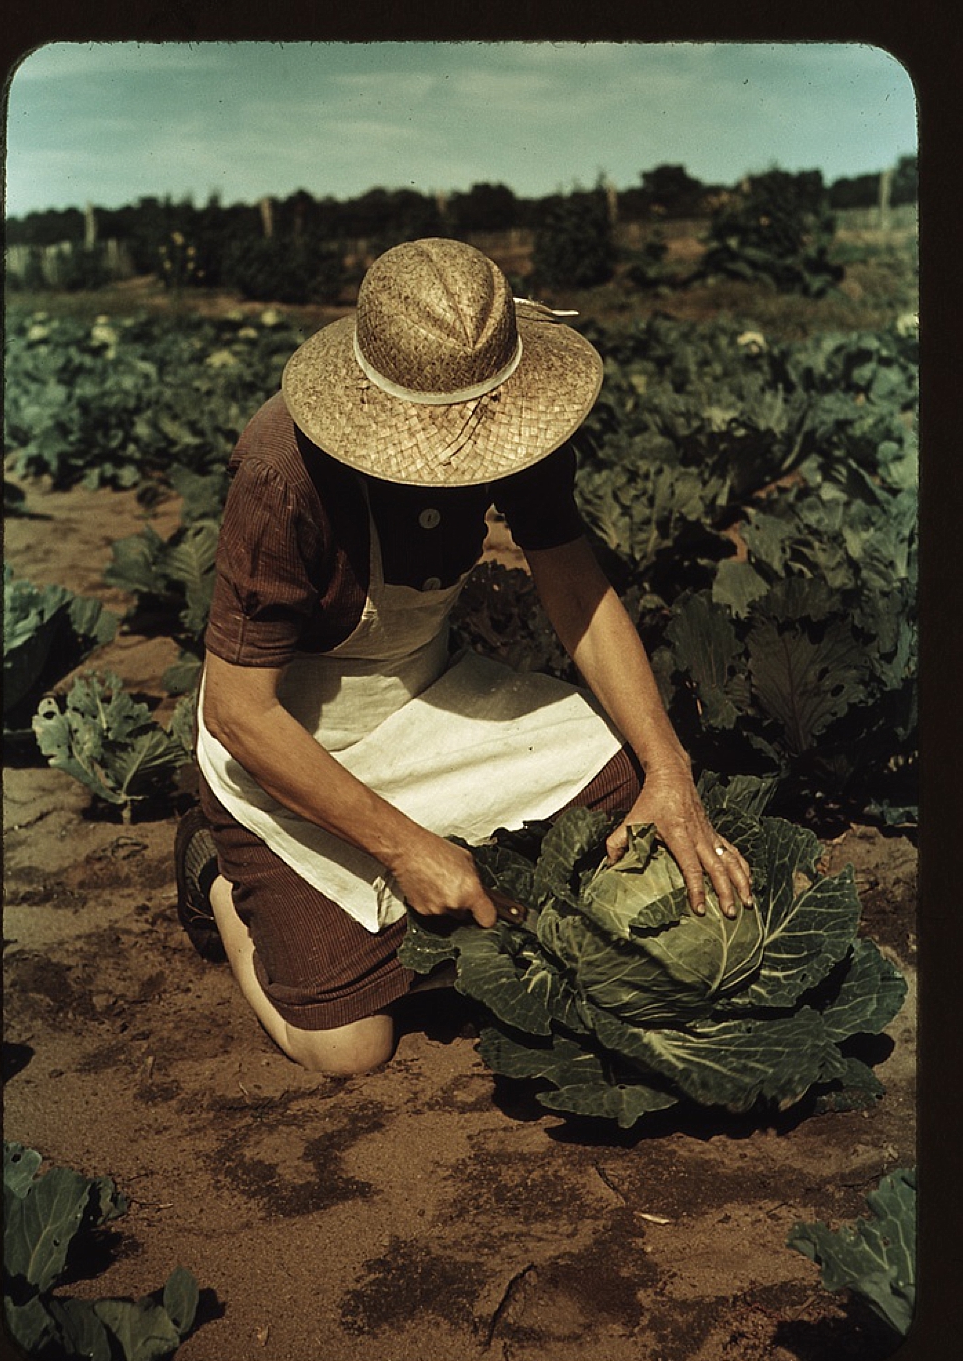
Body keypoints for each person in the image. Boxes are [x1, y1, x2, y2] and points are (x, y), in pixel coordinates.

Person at [175, 237, 752, 1076]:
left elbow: (576, 589)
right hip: (290, 743)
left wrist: (671, 767)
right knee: (347, 1050)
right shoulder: (281, 472)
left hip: (429, 693)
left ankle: (428, 872)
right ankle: (223, 875)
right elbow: (238, 712)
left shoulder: (518, 417)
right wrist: (406, 847)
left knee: (630, 786)